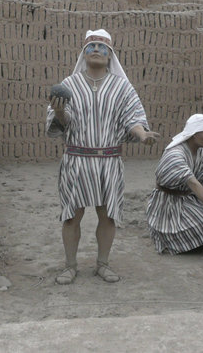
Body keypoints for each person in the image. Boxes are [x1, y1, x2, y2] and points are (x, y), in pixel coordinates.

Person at [47, 29, 160, 285]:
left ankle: (103, 264)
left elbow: (132, 118)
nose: (96, 50)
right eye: (91, 46)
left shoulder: (122, 87)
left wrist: (142, 135)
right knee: (71, 215)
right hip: (76, 160)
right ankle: (70, 266)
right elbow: (64, 122)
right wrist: (60, 111)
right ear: (84, 53)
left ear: (110, 55)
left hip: (109, 161)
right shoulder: (69, 85)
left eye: (101, 47)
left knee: (107, 215)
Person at [146, 114, 203, 254]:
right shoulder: (176, 155)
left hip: (187, 196)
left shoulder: (200, 152)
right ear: (194, 134)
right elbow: (192, 182)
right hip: (169, 204)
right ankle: (184, 242)